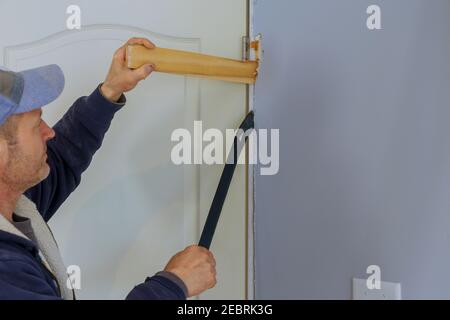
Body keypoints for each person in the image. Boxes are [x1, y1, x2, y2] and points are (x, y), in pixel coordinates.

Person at [0, 37, 216, 300]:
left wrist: (110, 91)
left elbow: (62, 159)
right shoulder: (6, 272)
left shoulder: (14, 204)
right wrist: (172, 285)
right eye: (36, 126)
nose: (49, 133)